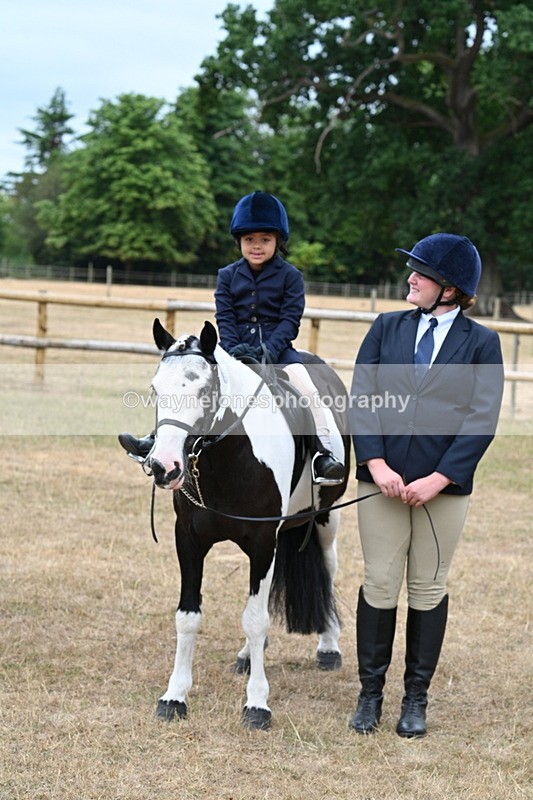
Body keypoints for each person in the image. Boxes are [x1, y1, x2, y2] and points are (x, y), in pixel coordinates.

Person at [348, 233, 503, 738]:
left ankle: (416, 697)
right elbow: (362, 397)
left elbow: (482, 418)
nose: (410, 278)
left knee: (428, 587)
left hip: (443, 489)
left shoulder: (482, 343)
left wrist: (440, 478)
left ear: (451, 289)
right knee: (379, 583)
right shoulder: (385, 328)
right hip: (383, 483)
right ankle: (370, 695)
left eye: (421, 272)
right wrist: (376, 463)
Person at [119, 190, 344, 485]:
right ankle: (155, 441)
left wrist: (268, 351)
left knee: (308, 391)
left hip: (279, 354)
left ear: (278, 241)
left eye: (265, 239)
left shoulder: (291, 277)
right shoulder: (227, 275)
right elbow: (225, 317)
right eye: (250, 240)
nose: (257, 246)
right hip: (231, 352)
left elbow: (290, 321)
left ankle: (322, 455)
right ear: (239, 241)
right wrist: (235, 349)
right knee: (186, 388)